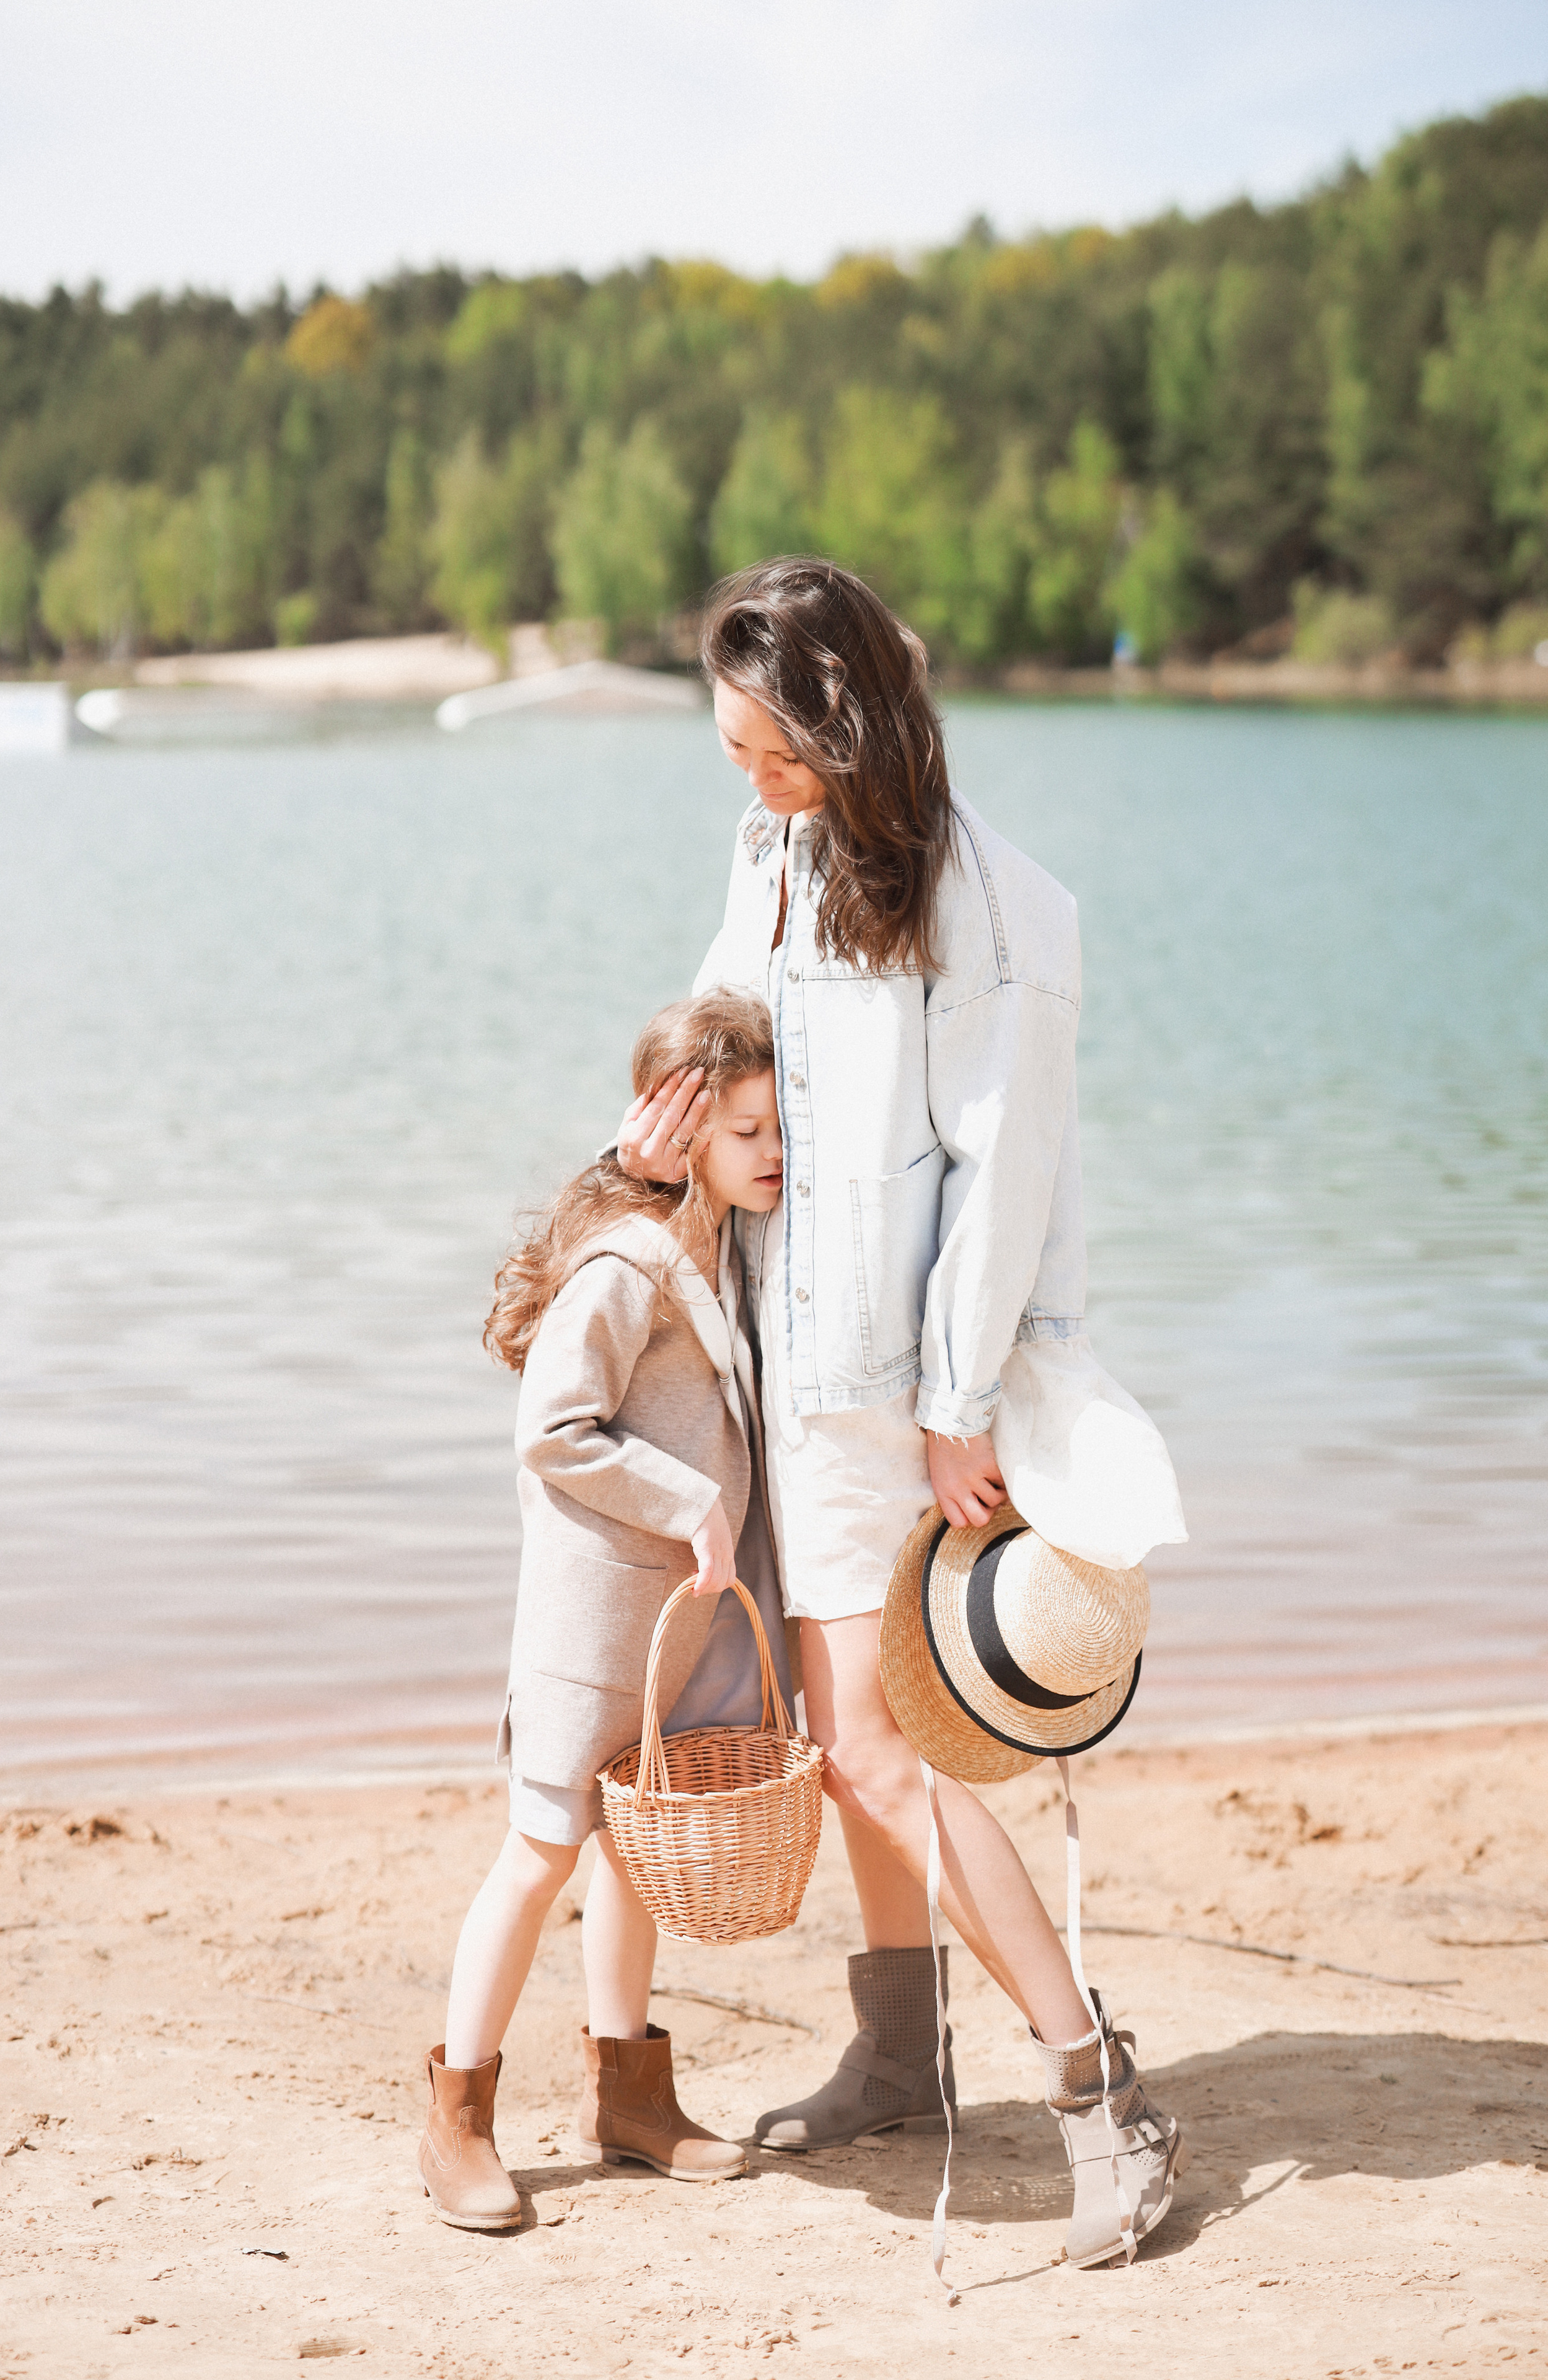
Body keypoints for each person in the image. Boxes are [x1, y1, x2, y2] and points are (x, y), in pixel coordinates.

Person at [617, 558, 1189, 2267]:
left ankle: (1101, 2095)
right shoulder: (772, 850)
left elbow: (1003, 1180)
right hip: (781, 1365)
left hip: (904, 1392)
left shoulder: (999, 907)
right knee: (840, 1739)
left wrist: (956, 1407)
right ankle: (897, 2045)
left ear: (845, 717)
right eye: (728, 748)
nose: (747, 777)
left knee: (879, 1750)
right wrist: (660, 1127)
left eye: (768, 747)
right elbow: (733, 1033)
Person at [419, 990, 791, 2232]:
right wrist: (687, 1499)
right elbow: (553, 1430)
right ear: (685, 1140)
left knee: (635, 1849)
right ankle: (456, 2118)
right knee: (537, 1858)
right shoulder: (628, 1267)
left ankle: (629, 2098)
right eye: (745, 1132)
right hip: (591, 1637)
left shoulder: (713, 1239)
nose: (773, 1152)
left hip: (672, 1636)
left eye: (778, 1125)